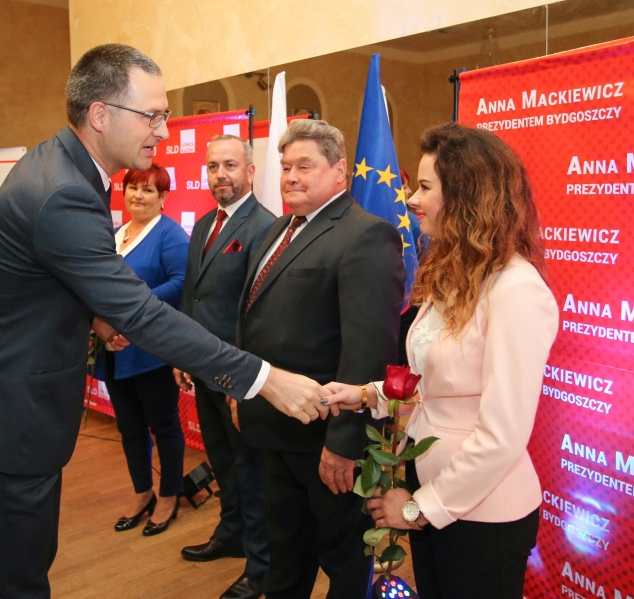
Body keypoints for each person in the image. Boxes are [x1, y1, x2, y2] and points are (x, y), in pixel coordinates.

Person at [0, 44, 329, 599]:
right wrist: (265, 378)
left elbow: (49, 280)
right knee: (17, 582)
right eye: (152, 115)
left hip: (3, 408)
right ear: (100, 114)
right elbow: (140, 312)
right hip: (3, 420)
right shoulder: (65, 191)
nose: (163, 130)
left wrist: (94, 316)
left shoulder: (64, 165)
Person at [323, 122, 559, 599]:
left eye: (426, 187)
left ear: (467, 196)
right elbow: (433, 384)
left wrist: (418, 509)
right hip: (433, 497)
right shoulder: (457, 275)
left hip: (481, 514)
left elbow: (502, 436)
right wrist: (365, 395)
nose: (411, 198)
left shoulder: (517, 290)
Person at [237, 119, 405, 598]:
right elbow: (254, 317)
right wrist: (244, 387)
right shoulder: (278, 229)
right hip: (275, 426)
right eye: (286, 166)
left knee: (343, 560)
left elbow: (369, 350)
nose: (291, 177)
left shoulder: (366, 235)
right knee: (286, 553)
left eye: (304, 166)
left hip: (326, 441)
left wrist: (345, 443)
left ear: (339, 171)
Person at [174, 135, 276, 599]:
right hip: (202, 367)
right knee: (221, 460)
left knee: (250, 471)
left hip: (238, 374)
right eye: (213, 166)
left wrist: (242, 381)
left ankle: (261, 567)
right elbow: (191, 296)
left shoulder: (266, 227)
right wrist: (183, 355)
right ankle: (231, 534)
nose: (220, 175)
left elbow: (257, 312)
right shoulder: (203, 225)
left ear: (250, 172)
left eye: (230, 165)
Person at [92, 164, 189, 536]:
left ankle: (169, 496)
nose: (138, 195)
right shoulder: (117, 234)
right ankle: (142, 492)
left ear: (163, 197)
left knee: (164, 426)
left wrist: (133, 309)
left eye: (148, 190)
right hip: (116, 349)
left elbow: (181, 283)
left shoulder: (169, 233)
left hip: (153, 351)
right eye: (133, 188)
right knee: (130, 427)